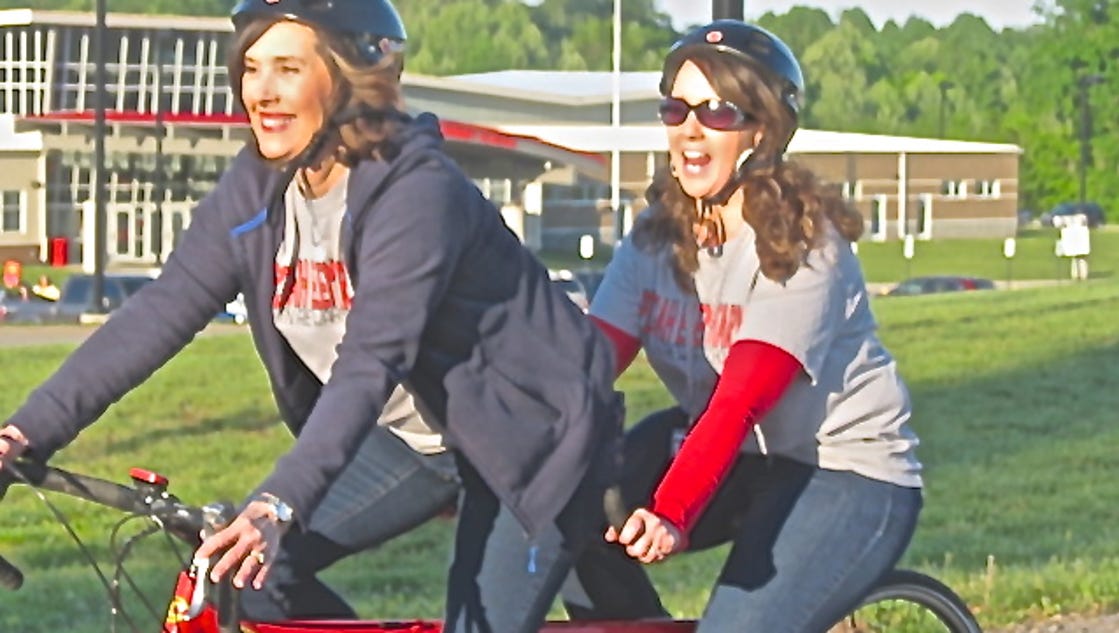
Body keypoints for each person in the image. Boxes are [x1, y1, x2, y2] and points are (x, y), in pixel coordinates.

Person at [0, 1, 622, 631]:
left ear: (353, 74)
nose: (262, 93)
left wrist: (279, 502)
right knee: (240, 577)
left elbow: (370, 363)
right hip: (413, 442)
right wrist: (22, 435)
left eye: (289, 68)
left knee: (482, 622)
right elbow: (159, 313)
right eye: (250, 67)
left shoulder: (415, 192)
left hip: (529, 437)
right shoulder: (258, 187)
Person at [564, 20, 923, 632]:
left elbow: (738, 402)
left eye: (719, 112)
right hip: (740, 455)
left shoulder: (802, 244)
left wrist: (673, 511)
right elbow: (588, 364)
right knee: (560, 516)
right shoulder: (656, 237)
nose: (690, 130)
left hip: (843, 470)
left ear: (762, 130)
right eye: (676, 108)